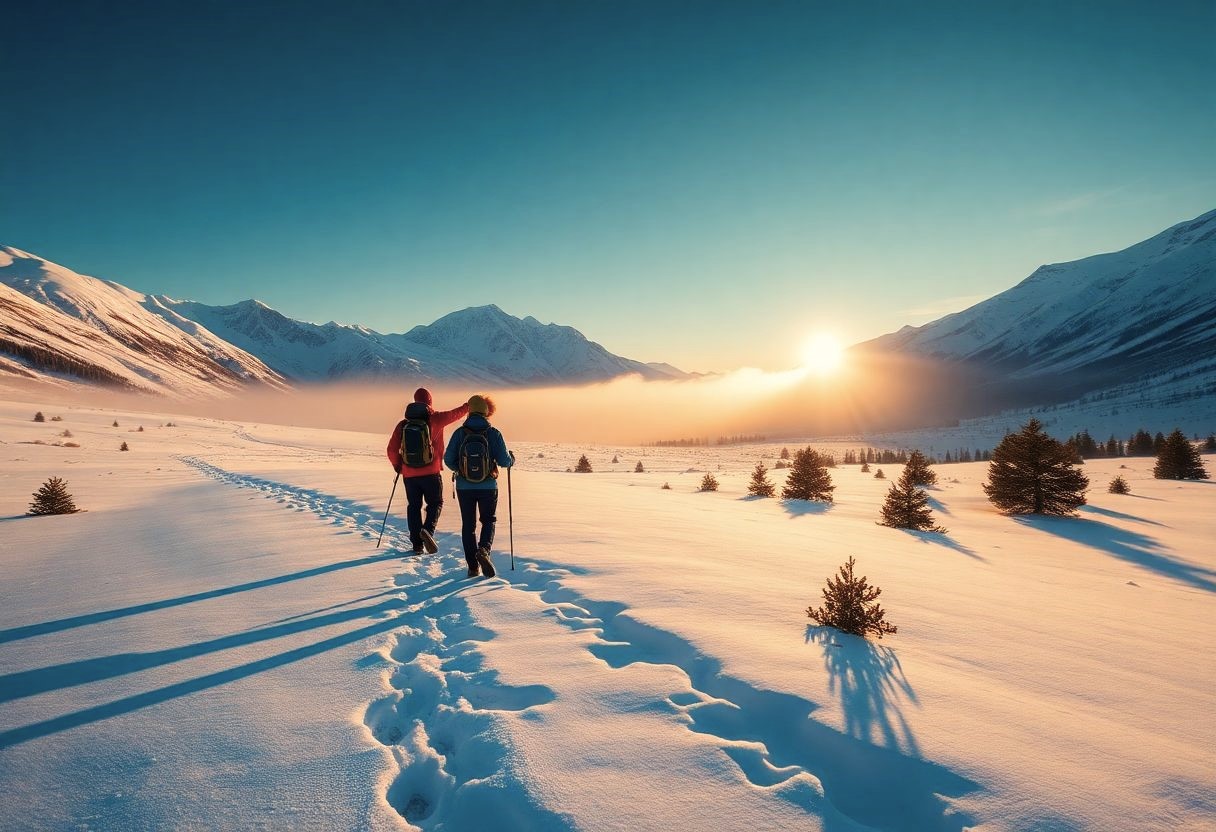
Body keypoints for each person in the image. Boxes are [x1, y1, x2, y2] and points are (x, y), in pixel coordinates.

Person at [386, 388, 469, 555]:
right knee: (435, 503)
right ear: (430, 401)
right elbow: (456, 414)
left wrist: (398, 466)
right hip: (431, 473)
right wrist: (468, 406)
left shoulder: (403, 425)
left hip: (409, 475)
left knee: (414, 506)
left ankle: (417, 544)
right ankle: (428, 531)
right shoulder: (437, 418)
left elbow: (391, 450)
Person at [444, 394, 514, 578]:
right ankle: (484, 550)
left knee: (468, 526)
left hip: (464, 487)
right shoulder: (493, 433)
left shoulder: (460, 433)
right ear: (486, 411)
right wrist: (512, 459)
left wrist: (461, 470)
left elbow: (448, 459)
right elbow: (504, 461)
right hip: (488, 486)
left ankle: (473, 567)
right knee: (488, 520)